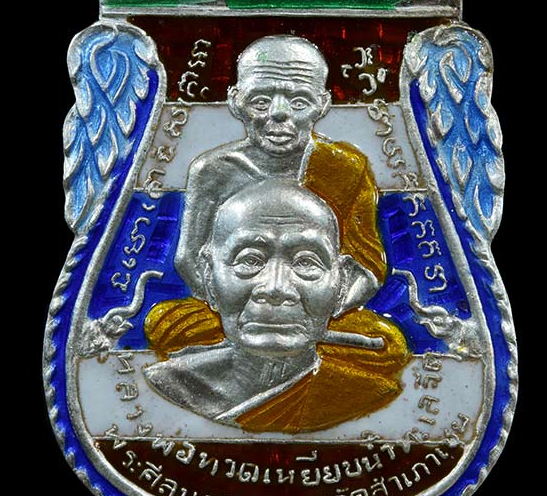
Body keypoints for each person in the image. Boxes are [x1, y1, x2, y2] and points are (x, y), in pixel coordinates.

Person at [146, 35, 391, 357]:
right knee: (166, 327)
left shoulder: (344, 168)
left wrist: (319, 311)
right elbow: (189, 259)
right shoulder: (213, 170)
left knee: (388, 344)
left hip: (314, 305)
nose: (278, 114)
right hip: (236, 304)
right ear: (236, 101)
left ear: (322, 104)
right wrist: (234, 305)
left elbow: (368, 266)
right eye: (260, 101)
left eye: (299, 102)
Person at [144, 180, 409, 432]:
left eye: (306, 262)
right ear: (208, 277)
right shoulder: (173, 384)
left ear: (343, 283)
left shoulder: (366, 394)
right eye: (250, 261)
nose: (275, 288)